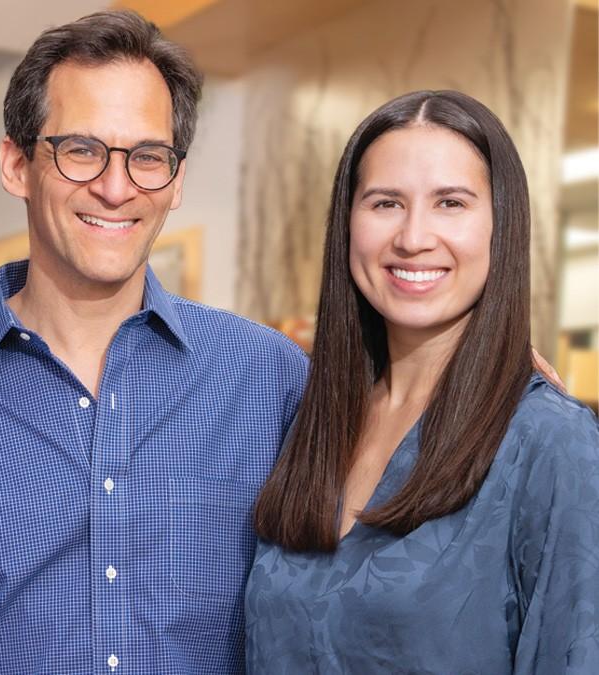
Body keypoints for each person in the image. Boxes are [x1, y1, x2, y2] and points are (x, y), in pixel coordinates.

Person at [0, 10, 308, 674]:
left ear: (176, 179)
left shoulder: (269, 378)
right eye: (81, 149)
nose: (115, 186)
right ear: (16, 163)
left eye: (147, 157)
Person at [245, 90, 599, 673]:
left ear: (500, 226)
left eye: (450, 203)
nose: (413, 236)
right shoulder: (311, 419)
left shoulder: (549, 441)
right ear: (347, 223)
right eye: (385, 203)